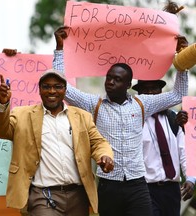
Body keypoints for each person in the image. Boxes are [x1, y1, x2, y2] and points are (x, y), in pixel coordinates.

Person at [53, 26, 188, 216]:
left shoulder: (142, 104)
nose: (110, 82)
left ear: (127, 85)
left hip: (138, 185)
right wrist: (59, 50)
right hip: (109, 186)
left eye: (117, 79)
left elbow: (178, 95)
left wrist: (183, 60)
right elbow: (63, 89)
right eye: (108, 78)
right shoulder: (95, 104)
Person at [0, 68, 114, 216]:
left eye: (58, 87)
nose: (52, 91)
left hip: (78, 196)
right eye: (46, 87)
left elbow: (98, 142)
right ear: (40, 90)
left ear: (65, 90)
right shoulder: (21, 115)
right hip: (43, 196)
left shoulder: (82, 117)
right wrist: (3, 104)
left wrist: (105, 155)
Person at [132, 79, 194, 215]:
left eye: (154, 88)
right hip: (146, 189)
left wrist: (190, 179)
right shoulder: (134, 121)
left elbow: (184, 151)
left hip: (172, 190)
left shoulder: (174, 118)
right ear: (138, 94)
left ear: (161, 92)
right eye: (145, 89)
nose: (150, 93)